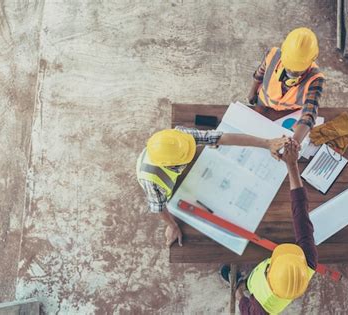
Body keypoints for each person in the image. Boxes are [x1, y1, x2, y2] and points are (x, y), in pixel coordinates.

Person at [136, 126, 289, 247]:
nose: (192, 148)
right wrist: (172, 225)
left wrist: (267, 143)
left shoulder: (179, 138)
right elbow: (159, 207)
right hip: (170, 188)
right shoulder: (152, 180)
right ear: (173, 165)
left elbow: (221, 137)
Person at [221, 139, 317, 315]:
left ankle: (241, 281)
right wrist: (292, 166)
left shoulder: (261, 307)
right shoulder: (308, 262)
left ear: (270, 270)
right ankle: (244, 281)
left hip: (252, 285)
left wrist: (238, 291)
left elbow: (245, 309)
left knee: (247, 283)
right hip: (261, 280)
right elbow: (300, 211)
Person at [247, 27, 325, 144]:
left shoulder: (316, 79)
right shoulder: (272, 54)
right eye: (289, 66)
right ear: (283, 52)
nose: (292, 73)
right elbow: (260, 73)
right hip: (263, 103)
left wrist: (293, 145)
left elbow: (309, 114)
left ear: (311, 60)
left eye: (298, 70)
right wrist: (252, 91)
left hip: (288, 113)